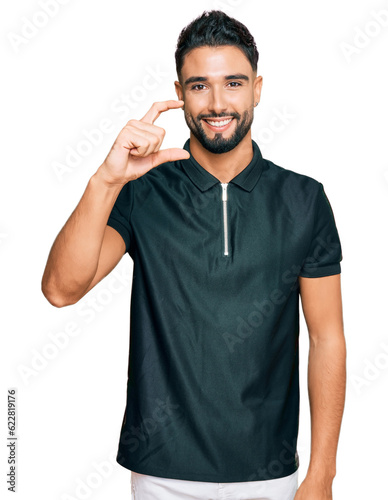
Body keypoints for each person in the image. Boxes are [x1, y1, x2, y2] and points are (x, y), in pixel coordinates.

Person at [41, 9, 346, 500]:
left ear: (258, 88)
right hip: (162, 475)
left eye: (233, 83)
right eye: (200, 86)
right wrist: (106, 180)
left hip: (271, 474)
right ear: (180, 93)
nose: (218, 102)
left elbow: (326, 337)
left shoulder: (304, 199)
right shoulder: (141, 192)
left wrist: (322, 474)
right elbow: (60, 289)